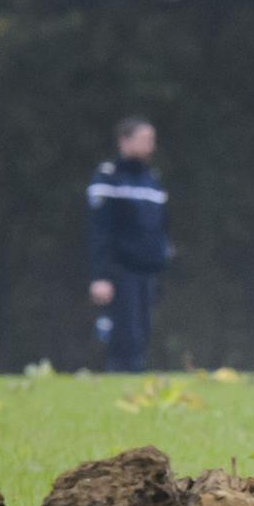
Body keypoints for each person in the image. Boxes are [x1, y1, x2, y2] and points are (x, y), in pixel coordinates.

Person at [87, 116, 171, 372]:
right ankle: (119, 382)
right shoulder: (108, 178)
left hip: (147, 270)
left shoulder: (151, 179)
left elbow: (159, 226)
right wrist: (100, 276)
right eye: (145, 139)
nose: (150, 146)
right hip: (120, 270)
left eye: (152, 140)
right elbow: (99, 231)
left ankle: (134, 378)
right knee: (124, 334)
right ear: (124, 141)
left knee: (142, 332)